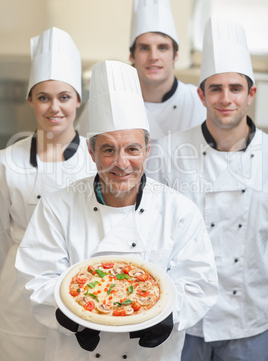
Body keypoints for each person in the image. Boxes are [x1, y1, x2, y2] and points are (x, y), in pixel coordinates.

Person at [15, 60, 218, 361]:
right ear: (91, 151)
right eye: (108, 149)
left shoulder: (180, 211)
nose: (121, 163)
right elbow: (37, 277)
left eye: (132, 149)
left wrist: (169, 315)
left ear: (148, 151)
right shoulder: (57, 207)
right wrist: (68, 314)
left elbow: (199, 282)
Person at [146, 16, 268, 360]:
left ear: (251, 94)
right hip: (185, 320)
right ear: (201, 94)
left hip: (252, 321)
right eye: (215, 88)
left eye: (235, 88)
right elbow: (152, 233)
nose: (225, 98)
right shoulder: (168, 152)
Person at [0, 26, 96, 361]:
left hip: (80, 286)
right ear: (30, 100)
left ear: (79, 100)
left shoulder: (96, 158)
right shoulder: (7, 162)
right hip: (17, 293)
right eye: (43, 97)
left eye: (64, 97)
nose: (54, 108)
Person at [76, 0, 206, 141]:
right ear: (132, 56)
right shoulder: (105, 102)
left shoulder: (198, 103)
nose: (153, 56)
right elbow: (84, 155)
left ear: (175, 55)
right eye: (144, 48)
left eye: (162, 48)